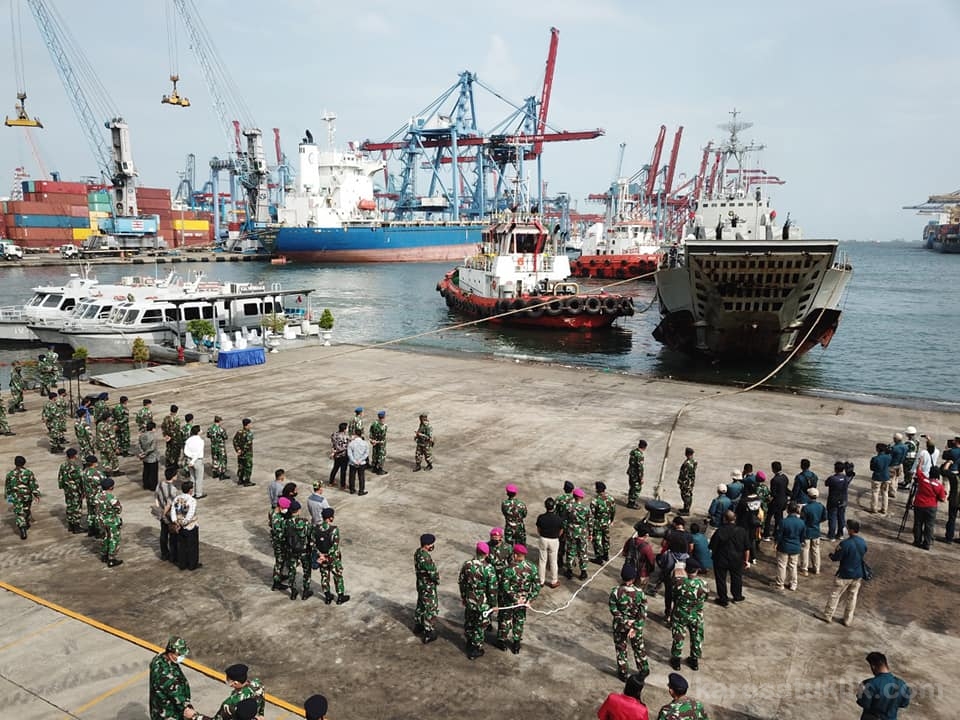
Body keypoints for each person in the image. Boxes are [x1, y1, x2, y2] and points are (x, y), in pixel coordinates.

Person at [821, 518, 867, 625]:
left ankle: (828, 615)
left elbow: (836, 558)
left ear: (850, 530)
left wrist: (831, 555)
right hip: (858, 574)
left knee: (835, 595)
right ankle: (847, 619)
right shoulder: (862, 542)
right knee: (852, 597)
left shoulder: (845, 544)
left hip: (845, 574)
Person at [495, 543, 540, 654]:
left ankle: (502, 641)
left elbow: (505, 587)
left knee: (505, 620)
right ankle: (516, 644)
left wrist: (515, 599)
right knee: (519, 621)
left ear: (515, 555)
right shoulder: (532, 567)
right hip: (523, 601)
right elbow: (537, 585)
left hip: (509, 601)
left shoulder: (508, 569)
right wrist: (529, 599)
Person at [608, 563, 650, 681]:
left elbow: (614, 610)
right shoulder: (640, 593)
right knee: (638, 647)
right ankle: (643, 669)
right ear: (633, 578)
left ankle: (623, 672)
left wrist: (625, 622)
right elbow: (643, 612)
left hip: (620, 626)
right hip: (635, 626)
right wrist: (635, 626)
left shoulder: (615, 592)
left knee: (621, 648)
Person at [458, 541, 498, 660]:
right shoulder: (488, 569)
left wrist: (464, 596)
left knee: (470, 620)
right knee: (479, 626)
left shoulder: (467, 564)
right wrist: (493, 604)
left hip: (470, 599)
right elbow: (492, 589)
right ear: (486, 554)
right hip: (482, 602)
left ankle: (469, 641)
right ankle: (475, 649)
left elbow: (462, 582)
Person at [183, 663, 264, 720]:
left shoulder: (229, 704)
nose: (227, 682)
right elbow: (262, 703)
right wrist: (260, 715)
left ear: (235, 683)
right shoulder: (257, 684)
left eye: (228, 680)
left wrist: (194, 715)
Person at [669, 558, 708, 671]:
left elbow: (674, 596)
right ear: (697, 570)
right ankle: (694, 660)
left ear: (686, 569)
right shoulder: (703, 584)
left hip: (681, 613)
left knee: (678, 636)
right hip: (696, 615)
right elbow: (704, 598)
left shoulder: (679, 583)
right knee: (696, 636)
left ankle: (676, 660)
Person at [709, 510, 750, 606]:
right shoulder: (742, 531)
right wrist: (746, 561)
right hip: (737, 559)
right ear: (735, 518)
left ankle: (723, 599)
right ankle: (737, 596)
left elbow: (712, 546)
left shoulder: (719, 531)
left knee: (721, 579)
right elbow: (747, 548)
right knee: (736, 578)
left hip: (721, 559)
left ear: (724, 519)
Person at [856, 652, 911, 719]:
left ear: (873, 666)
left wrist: (860, 694)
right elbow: (904, 704)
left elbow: (864, 704)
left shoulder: (870, 683)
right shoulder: (902, 684)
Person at [149, 636, 192, 720]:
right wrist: (190, 710)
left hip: (157, 709)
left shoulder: (158, 659)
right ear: (170, 653)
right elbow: (179, 699)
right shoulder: (167, 677)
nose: (182, 656)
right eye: (179, 654)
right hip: (170, 713)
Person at [315, 507, 349, 604]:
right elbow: (334, 547)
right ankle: (340, 597)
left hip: (321, 558)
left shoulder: (316, 528)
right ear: (330, 518)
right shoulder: (334, 530)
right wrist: (328, 556)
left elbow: (313, 544)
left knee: (324, 576)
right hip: (333, 559)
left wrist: (320, 555)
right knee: (337, 576)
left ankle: (328, 597)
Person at [5, 455, 40, 540]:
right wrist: (36, 494)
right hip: (27, 496)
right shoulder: (28, 473)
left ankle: (23, 529)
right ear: (24, 463)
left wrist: (8, 496)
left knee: (19, 513)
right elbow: (33, 485)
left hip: (17, 496)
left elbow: (8, 487)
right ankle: (26, 523)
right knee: (26, 509)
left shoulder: (10, 474)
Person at [912, 465, 946, 550]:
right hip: (931, 507)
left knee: (918, 523)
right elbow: (942, 499)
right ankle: (927, 543)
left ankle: (917, 540)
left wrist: (920, 462)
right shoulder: (939, 486)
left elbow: (918, 470)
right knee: (929, 525)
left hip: (919, 504)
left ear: (930, 473)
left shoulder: (923, 479)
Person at [285, 499, 314, 600]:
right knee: (306, 570)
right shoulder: (304, 522)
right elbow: (311, 535)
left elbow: (284, 537)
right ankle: (306, 591)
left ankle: (293, 592)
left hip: (291, 551)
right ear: (298, 510)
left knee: (292, 570)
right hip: (304, 550)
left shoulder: (286, 523)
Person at [414, 533, 440, 643]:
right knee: (430, 608)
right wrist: (437, 580)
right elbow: (433, 573)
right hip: (428, 586)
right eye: (431, 544)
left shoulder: (418, 553)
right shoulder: (426, 558)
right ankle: (429, 632)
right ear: (427, 545)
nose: (432, 546)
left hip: (421, 584)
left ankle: (419, 625)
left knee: (421, 604)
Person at [775, 502, 805, 591]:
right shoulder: (801, 523)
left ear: (788, 510)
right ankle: (793, 584)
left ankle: (780, 584)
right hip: (795, 546)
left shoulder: (783, 522)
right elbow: (802, 536)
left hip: (784, 546)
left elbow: (779, 535)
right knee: (793, 566)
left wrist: (776, 543)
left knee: (782, 566)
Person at [171, 480, 200, 571]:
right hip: (190, 526)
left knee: (182, 545)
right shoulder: (192, 500)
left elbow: (173, 511)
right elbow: (190, 514)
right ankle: (192, 564)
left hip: (179, 525)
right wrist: (184, 522)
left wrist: (176, 522)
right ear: (190, 490)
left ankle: (182, 564)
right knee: (192, 546)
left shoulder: (177, 498)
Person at [535, 497, 563, 587]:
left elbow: (538, 529)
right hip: (554, 540)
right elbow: (561, 530)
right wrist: (557, 536)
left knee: (542, 560)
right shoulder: (558, 518)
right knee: (553, 561)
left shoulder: (541, 517)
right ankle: (554, 581)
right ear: (554, 507)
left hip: (543, 539)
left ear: (545, 506)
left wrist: (542, 534)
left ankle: (541, 581)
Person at [96, 476, 123, 567]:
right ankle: (111, 559)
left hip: (102, 520)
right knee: (114, 539)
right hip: (111, 521)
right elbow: (119, 509)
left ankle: (104, 554)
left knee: (106, 536)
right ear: (111, 487)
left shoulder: (98, 496)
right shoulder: (112, 498)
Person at [564, 487, 590, 580]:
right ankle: (583, 572)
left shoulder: (569, 507)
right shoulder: (586, 508)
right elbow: (590, 521)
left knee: (571, 551)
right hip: (582, 532)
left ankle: (569, 571)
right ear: (581, 498)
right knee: (583, 552)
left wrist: (566, 530)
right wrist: (590, 533)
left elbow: (565, 519)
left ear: (573, 496)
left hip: (571, 532)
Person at [156, 466, 180, 563]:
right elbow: (169, 504)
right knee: (173, 535)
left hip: (161, 511)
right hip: (169, 514)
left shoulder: (160, 485)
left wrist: (159, 511)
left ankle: (164, 553)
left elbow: (156, 498)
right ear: (173, 476)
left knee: (163, 534)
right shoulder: (173, 489)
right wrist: (164, 514)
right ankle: (173, 555)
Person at [801, 487, 827, 575]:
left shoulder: (806, 508)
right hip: (816, 531)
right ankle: (817, 568)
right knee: (816, 550)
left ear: (808, 496)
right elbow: (824, 518)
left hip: (807, 531)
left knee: (805, 549)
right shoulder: (821, 506)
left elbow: (802, 520)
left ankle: (804, 568)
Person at [58, 448, 84, 534]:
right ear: (74, 456)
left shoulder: (63, 465)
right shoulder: (76, 467)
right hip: (75, 489)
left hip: (67, 489)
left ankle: (70, 525)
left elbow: (60, 478)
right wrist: (83, 490)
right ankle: (76, 526)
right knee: (76, 507)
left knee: (69, 505)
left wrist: (63, 486)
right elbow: (80, 479)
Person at [825, 461, 853, 539]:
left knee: (832, 518)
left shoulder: (832, 478)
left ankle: (831, 535)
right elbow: (850, 477)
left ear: (835, 469)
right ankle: (840, 534)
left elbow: (826, 483)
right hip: (843, 500)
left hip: (833, 500)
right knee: (841, 517)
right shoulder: (845, 478)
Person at [591, 481, 616, 564]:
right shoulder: (611, 499)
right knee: (606, 539)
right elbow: (613, 511)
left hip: (597, 523)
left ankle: (599, 558)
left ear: (597, 490)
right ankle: (606, 555)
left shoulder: (595, 501)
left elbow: (592, 515)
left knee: (597, 540)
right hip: (606, 522)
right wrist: (611, 520)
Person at [763, 461, 789, 540]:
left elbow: (773, 493)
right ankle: (777, 534)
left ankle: (766, 535)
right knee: (779, 518)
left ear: (773, 469)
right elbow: (786, 489)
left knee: (768, 518)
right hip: (783, 500)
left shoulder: (774, 480)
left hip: (776, 502)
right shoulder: (785, 477)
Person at [82, 455, 105, 538]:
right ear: (94, 463)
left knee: (90, 513)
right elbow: (104, 483)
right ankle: (98, 531)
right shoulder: (97, 473)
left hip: (89, 496)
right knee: (97, 514)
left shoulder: (84, 472)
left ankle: (91, 529)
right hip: (97, 496)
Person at [182, 424, 205, 499]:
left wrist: (190, 459)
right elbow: (198, 452)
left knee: (192, 477)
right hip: (197, 460)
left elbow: (185, 451)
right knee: (199, 478)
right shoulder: (201, 441)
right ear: (198, 432)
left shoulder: (188, 440)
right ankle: (198, 493)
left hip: (189, 459)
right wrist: (193, 460)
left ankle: (191, 493)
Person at [869, 442, 893, 514]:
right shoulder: (889, 457)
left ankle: (874, 508)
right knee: (885, 493)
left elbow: (872, 468)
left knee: (875, 493)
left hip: (877, 477)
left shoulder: (875, 459)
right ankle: (884, 509)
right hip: (886, 477)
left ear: (877, 450)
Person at [233, 418, 255, 487]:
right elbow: (248, 445)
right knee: (248, 467)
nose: (251, 425)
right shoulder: (249, 434)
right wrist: (242, 451)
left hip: (240, 454)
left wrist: (238, 450)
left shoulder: (239, 432)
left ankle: (240, 479)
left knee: (241, 467)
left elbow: (234, 441)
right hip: (247, 454)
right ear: (247, 425)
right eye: (250, 424)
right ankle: (247, 481)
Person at [347, 428, 369, 495]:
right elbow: (366, 453)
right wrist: (360, 460)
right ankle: (361, 490)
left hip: (352, 463)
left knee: (352, 476)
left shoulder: (351, 443)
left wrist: (354, 461)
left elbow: (349, 454)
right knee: (361, 477)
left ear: (355, 435)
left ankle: (352, 489)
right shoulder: (365, 443)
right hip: (361, 463)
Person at [139, 420, 160, 491]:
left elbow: (139, 445)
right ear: (153, 428)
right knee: (153, 473)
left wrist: (142, 453)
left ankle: (146, 485)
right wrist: (145, 453)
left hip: (145, 458)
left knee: (146, 471)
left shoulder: (142, 435)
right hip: (152, 457)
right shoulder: (153, 436)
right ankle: (153, 486)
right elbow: (152, 448)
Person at [161, 405, 183, 474]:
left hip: (168, 437)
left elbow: (163, 427)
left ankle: (168, 463)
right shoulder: (176, 420)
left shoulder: (166, 418)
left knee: (169, 449)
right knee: (175, 452)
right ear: (176, 411)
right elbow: (177, 430)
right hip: (175, 438)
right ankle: (174, 464)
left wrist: (165, 435)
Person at [206, 415, 229, 480]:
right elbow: (225, 437)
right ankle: (222, 474)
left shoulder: (210, 429)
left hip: (213, 446)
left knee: (215, 459)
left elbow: (208, 436)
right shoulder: (221, 429)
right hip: (220, 446)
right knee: (222, 460)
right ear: (219, 421)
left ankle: (215, 472)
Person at [626, 439, 647, 509]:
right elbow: (640, 468)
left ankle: (630, 501)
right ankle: (632, 503)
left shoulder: (634, 452)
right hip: (636, 475)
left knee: (632, 487)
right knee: (636, 488)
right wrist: (641, 478)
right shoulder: (640, 456)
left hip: (631, 472)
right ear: (644, 447)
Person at [328, 422, 350, 489]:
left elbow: (333, 444)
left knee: (335, 468)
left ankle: (331, 482)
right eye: (347, 428)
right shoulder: (344, 437)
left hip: (336, 455)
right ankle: (343, 485)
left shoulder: (334, 434)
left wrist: (334, 451)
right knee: (343, 470)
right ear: (344, 429)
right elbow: (345, 446)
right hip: (343, 455)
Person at [677, 447, 697, 515]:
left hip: (686, 483)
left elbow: (684, 475)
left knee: (685, 496)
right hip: (691, 482)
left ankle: (686, 511)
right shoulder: (694, 461)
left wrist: (680, 481)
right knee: (689, 495)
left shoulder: (687, 464)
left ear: (686, 453)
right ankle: (686, 508)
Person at [369, 410, 388, 475]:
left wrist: (372, 440)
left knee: (375, 454)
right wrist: (378, 442)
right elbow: (383, 437)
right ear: (384, 417)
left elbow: (371, 433)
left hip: (374, 442)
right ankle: (380, 469)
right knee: (381, 455)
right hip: (380, 443)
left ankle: (374, 467)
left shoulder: (374, 424)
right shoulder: (384, 426)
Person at [888, 431, 907, 497]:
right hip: (900, 464)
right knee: (896, 479)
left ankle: (892, 492)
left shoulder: (894, 448)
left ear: (896, 439)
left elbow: (890, 456)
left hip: (893, 465)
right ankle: (894, 490)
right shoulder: (905, 447)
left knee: (892, 479)